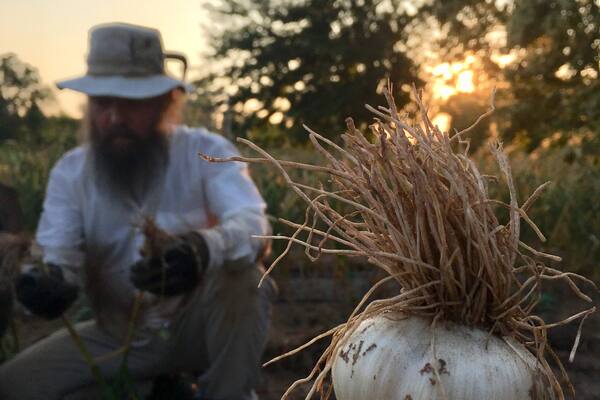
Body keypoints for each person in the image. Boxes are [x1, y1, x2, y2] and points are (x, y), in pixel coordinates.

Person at [0, 22, 274, 400]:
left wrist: (201, 248)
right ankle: (160, 389)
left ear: (165, 103)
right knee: (14, 386)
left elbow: (253, 226)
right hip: (117, 333)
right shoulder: (71, 172)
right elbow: (57, 253)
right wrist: (49, 280)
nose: (114, 118)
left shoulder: (205, 152)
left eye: (130, 103)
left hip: (197, 328)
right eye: (103, 103)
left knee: (244, 279)